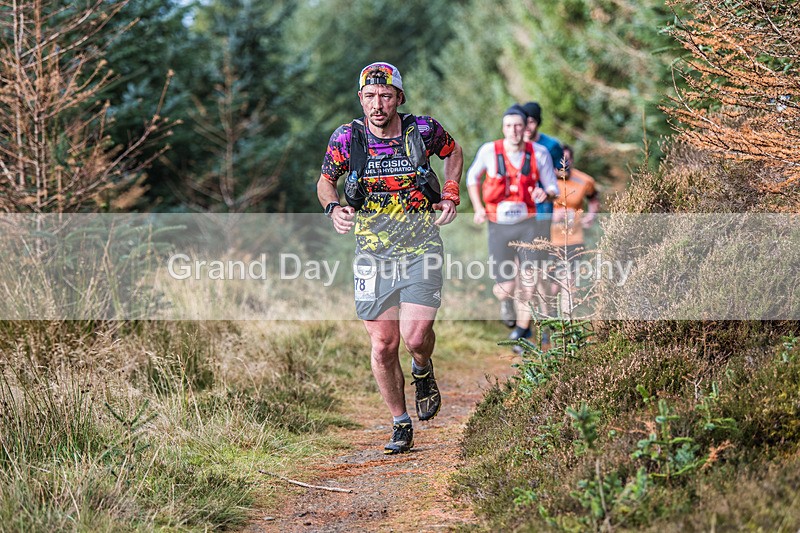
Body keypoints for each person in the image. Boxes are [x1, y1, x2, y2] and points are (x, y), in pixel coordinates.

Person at [317, 62, 463, 455]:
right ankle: (400, 423)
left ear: (399, 97)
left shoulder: (424, 130)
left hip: (421, 248)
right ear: (360, 99)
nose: (377, 104)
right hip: (372, 254)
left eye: (385, 96)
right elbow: (325, 181)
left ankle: (422, 368)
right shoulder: (348, 138)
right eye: (369, 96)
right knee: (383, 343)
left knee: (415, 338)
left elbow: (453, 151)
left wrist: (450, 192)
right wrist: (334, 209)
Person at [466, 104, 558, 346]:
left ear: (525, 127)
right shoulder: (489, 151)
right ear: (503, 128)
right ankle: (506, 303)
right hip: (498, 225)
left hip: (528, 225)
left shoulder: (539, 153)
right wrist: (478, 208)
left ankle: (521, 331)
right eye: (509, 126)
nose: (514, 131)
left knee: (529, 279)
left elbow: (553, 188)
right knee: (505, 286)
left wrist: (544, 194)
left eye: (518, 125)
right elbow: (472, 178)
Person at [550, 144, 600, 314]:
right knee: (552, 286)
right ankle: (547, 322)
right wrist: (551, 215)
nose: (563, 163)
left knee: (568, 282)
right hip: (547, 239)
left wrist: (591, 216)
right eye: (559, 159)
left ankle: (567, 326)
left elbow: (593, 198)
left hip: (574, 239)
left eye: (567, 159)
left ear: (572, 160)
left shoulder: (584, 180)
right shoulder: (544, 178)